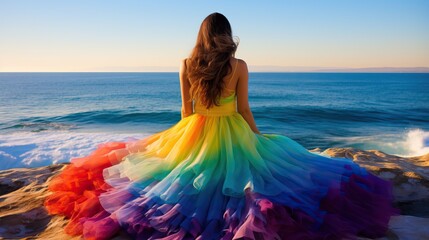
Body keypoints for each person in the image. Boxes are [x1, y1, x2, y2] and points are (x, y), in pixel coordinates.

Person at [45, 12, 399, 240]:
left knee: (185, 175)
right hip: (232, 128)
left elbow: (185, 111)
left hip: (195, 127)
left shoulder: (186, 64)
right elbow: (243, 108)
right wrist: (257, 138)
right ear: (227, 35)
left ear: (200, 36)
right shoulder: (239, 64)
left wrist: (179, 140)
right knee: (252, 175)